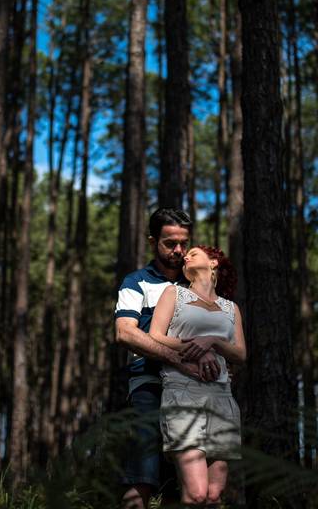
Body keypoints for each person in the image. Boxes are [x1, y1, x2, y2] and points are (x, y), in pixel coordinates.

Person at [114, 208, 220, 509]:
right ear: (152, 242)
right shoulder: (137, 282)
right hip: (148, 385)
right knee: (141, 474)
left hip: (195, 391)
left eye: (184, 243)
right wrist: (176, 358)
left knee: (191, 483)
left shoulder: (199, 286)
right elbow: (124, 333)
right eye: (169, 243)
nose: (178, 250)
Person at [149, 245, 246, 507]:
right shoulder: (175, 294)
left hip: (221, 397)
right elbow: (155, 336)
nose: (185, 256)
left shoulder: (230, 308)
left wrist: (212, 341)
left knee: (213, 496)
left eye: (193, 252)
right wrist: (195, 351)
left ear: (214, 262)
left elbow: (240, 354)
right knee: (197, 494)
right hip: (183, 392)